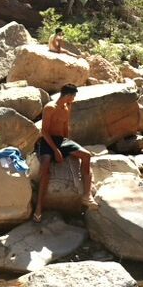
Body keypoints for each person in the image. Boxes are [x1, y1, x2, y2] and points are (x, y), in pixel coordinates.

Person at [32, 84, 93, 223]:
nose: (74, 99)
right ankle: (39, 207)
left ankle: (87, 195)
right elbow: (45, 132)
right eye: (73, 96)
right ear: (68, 95)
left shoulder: (67, 107)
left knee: (86, 155)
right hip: (47, 141)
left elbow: (65, 129)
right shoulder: (50, 108)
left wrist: (69, 148)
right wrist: (56, 150)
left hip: (62, 141)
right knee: (45, 167)